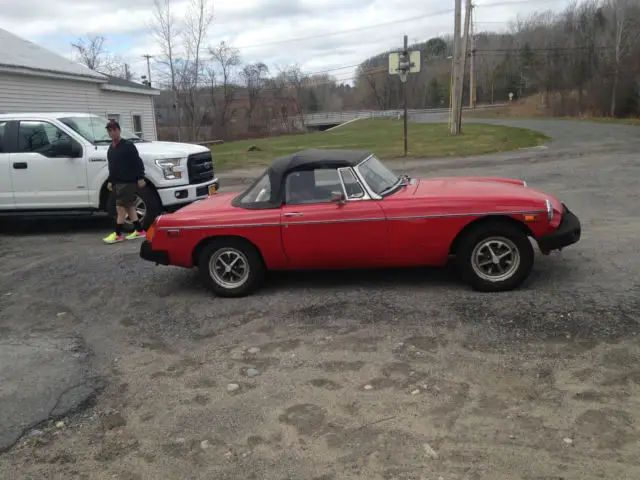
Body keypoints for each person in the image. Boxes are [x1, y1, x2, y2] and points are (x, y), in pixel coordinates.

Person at [102, 119, 147, 244]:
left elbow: (137, 162)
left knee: (120, 208)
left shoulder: (128, 146)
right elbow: (112, 167)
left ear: (119, 130)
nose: (112, 133)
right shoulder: (111, 148)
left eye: (114, 130)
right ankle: (139, 230)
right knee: (129, 207)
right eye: (109, 131)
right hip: (118, 182)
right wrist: (111, 181)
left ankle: (117, 234)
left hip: (128, 181)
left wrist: (140, 177)